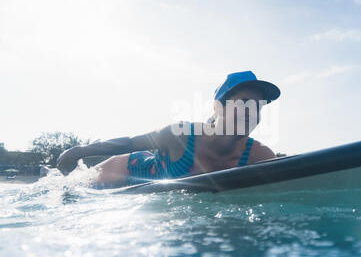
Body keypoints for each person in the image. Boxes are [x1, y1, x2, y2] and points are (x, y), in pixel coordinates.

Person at [56, 71, 281, 188]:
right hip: (123, 172)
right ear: (217, 107)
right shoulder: (181, 134)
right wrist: (79, 151)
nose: (251, 112)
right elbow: (131, 142)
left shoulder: (259, 155)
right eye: (242, 104)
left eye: (258, 107)